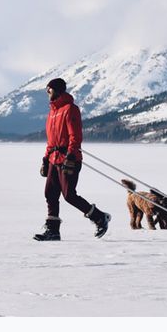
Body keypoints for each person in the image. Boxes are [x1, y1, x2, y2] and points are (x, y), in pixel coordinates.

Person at [33, 77, 111, 241]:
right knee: (50, 194)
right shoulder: (52, 112)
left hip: (69, 159)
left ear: (57, 89)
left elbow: (75, 136)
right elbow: (51, 141)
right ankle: (53, 231)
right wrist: (45, 159)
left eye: (49, 89)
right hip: (54, 159)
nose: (47, 91)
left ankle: (99, 217)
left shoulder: (70, 109)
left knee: (69, 195)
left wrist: (70, 156)